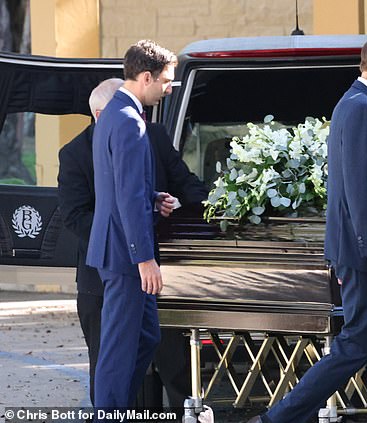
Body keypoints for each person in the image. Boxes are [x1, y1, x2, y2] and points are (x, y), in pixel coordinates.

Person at [252, 32, 367, 423]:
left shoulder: (364, 104)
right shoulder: (361, 107)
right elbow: (359, 187)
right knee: (355, 346)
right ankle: (276, 419)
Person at [58, 77, 207, 412]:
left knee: (155, 345)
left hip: (154, 265)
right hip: (106, 269)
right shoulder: (74, 153)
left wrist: (174, 209)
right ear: (101, 116)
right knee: (107, 358)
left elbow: (183, 184)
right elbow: (76, 215)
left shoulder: (151, 135)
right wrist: (125, 234)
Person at [84, 40, 179, 412]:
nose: (168, 88)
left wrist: (152, 196)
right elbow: (123, 195)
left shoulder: (115, 114)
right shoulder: (128, 120)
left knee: (145, 337)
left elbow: (122, 184)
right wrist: (144, 260)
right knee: (119, 347)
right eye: (166, 81)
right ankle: (108, 413)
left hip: (118, 247)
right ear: (145, 77)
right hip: (125, 253)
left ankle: (114, 408)